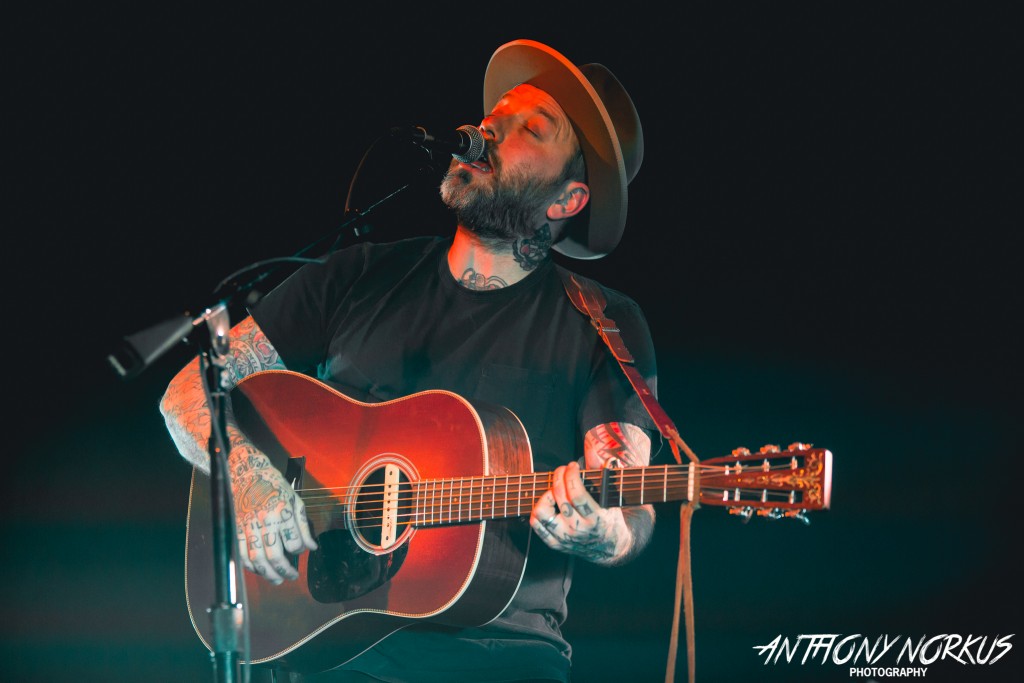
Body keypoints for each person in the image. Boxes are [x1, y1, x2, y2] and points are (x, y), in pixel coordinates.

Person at [161, 39, 657, 683]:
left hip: (499, 657)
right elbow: (190, 391)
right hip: (331, 645)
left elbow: (628, 497)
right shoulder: (355, 275)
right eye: (495, 115)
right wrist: (252, 478)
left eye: (531, 128)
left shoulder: (602, 323)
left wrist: (604, 533)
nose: (488, 128)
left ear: (567, 200)